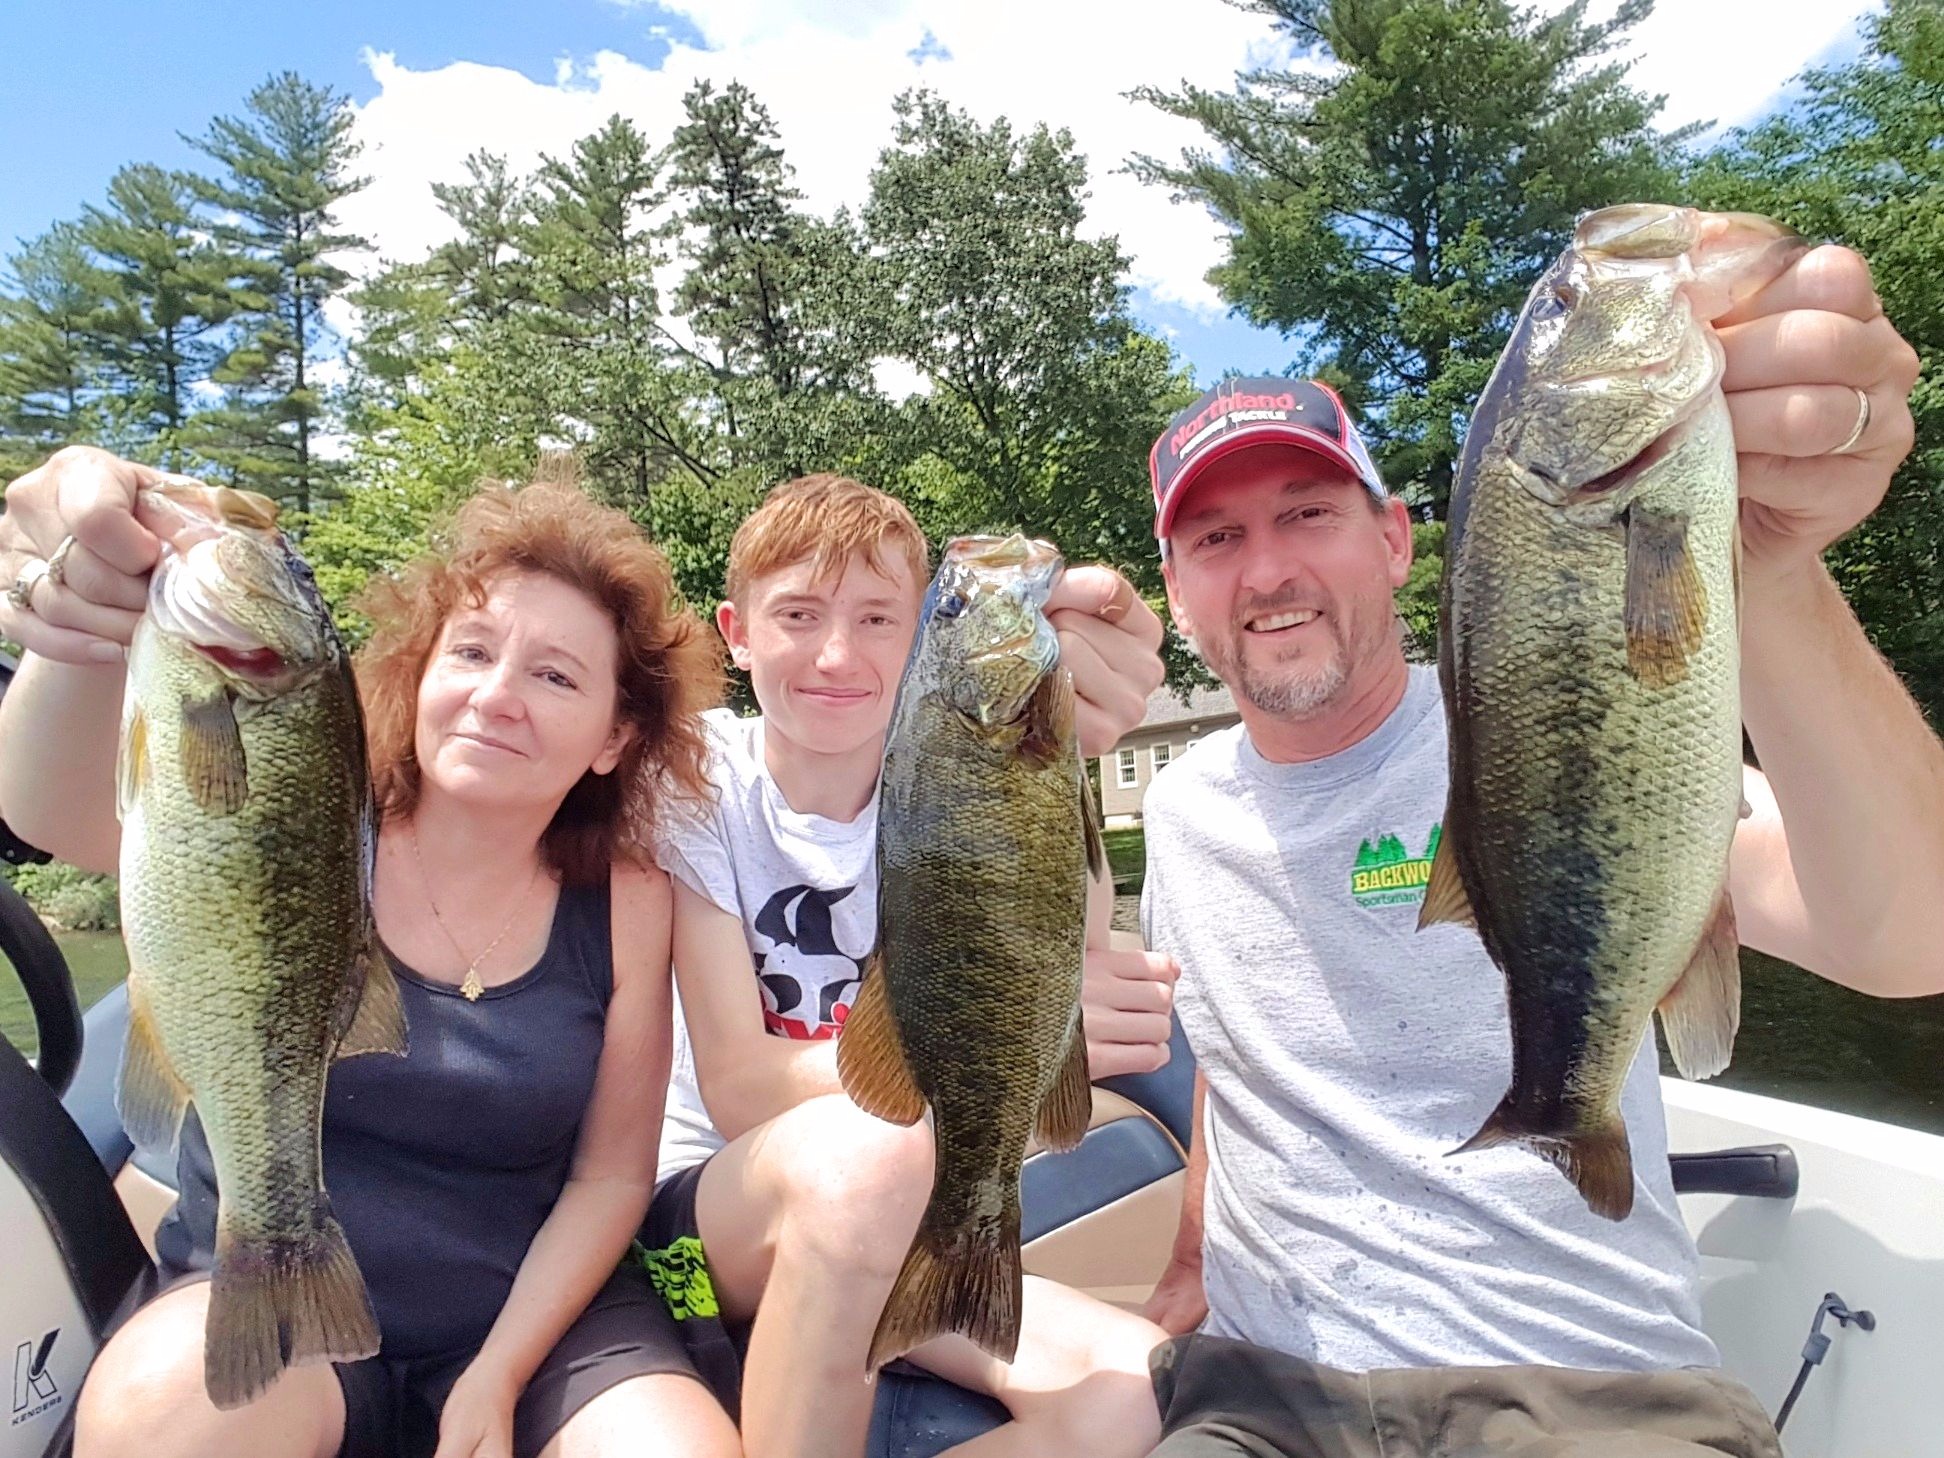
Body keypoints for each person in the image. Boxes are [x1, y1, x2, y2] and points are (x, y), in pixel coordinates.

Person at [1132, 240, 1943, 1456]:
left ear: (1398, 540)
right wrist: (1191, 1262)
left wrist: (1771, 581)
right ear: (1177, 590)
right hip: (1265, 1402)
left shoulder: (1539, 709)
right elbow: (1235, 1064)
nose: (1269, 570)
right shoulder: (1183, 814)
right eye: (1216, 539)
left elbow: (1913, 934)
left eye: (1308, 513)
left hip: (1589, 1395)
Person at [0, 452, 731, 1458]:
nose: (499, 694)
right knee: (163, 1410)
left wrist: (497, 1375)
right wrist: (82, 616)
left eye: (556, 674)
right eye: (471, 652)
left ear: (614, 736)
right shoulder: (296, 817)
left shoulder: (633, 905)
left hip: (536, 1326)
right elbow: (44, 807)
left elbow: (610, 1181)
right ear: (420, 674)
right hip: (276, 1299)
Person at [636, 474, 1175, 1458]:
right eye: (798, 614)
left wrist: (1068, 730)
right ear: (737, 632)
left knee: (1137, 1393)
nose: (839, 653)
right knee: (864, 1167)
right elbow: (741, 1087)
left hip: (904, 1213)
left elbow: (1070, 945)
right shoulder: (697, 785)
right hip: (692, 1236)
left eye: (880, 617)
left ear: (925, 635)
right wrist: (958, 1060)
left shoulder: (977, 766)